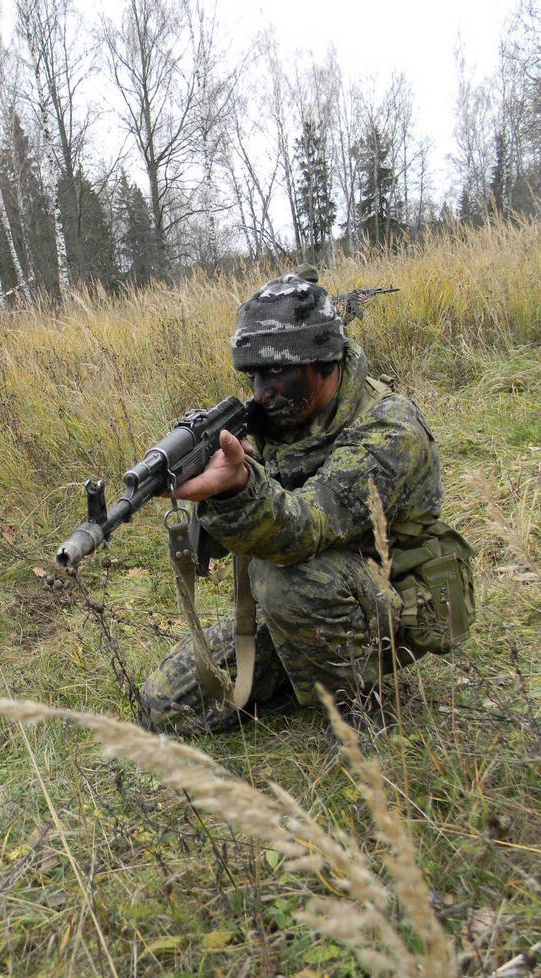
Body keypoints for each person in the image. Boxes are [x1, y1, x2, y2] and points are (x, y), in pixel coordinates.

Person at [141, 272, 474, 732]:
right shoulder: (282, 417)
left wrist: (243, 487)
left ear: (324, 360)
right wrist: (220, 490)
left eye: (277, 372)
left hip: (400, 592)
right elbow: (234, 544)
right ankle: (307, 656)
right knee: (166, 702)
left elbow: (309, 524)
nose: (261, 391)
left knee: (287, 582)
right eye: (253, 374)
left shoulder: (389, 430)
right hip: (321, 588)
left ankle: (359, 712)